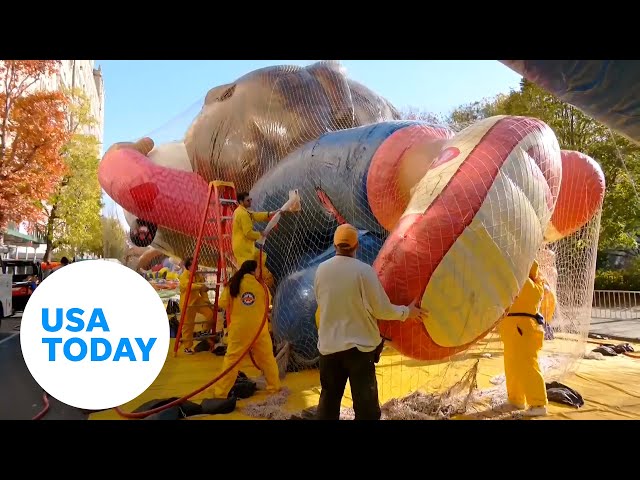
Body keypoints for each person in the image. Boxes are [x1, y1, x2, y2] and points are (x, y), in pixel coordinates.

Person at [314, 223, 428, 420]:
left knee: (328, 403)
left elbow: (321, 303)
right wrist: (406, 312)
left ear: (335, 246)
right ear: (356, 245)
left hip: (329, 347)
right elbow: (381, 309)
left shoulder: (321, 270)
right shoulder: (363, 271)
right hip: (359, 351)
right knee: (366, 409)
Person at [212, 260, 280, 398]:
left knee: (232, 360)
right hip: (259, 329)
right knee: (267, 359)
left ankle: (221, 393)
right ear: (254, 270)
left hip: (239, 329)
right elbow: (268, 303)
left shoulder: (233, 284)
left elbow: (222, 303)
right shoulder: (262, 286)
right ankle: (274, 387)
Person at [498, 260, 549, 417]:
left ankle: (538, 403)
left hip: (522, 328)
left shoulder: (529, 284)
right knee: (512, 365)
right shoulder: (529, 282)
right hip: (514, 326)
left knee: (527, 365)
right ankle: (516, 399)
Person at [231, 192, 279, 289]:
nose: (250, 202)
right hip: (243, 247)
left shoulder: (243, 211)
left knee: (260, 257)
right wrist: (261, 234)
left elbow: (255, 215)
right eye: (248, 200)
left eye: (250, 200)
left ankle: (257, 280)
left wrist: (269, 214)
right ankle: (249, 287)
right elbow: (248, 233)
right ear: (241, 201)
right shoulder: (242, 214)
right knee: (247, 272)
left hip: (247, 245)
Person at [179, 256, 215, 355]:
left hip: (197, 301)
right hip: (187, 303)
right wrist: (201, 287)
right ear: (188, 267)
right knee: (188, 326)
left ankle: (204, 331)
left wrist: (207, 301)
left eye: (197, 264)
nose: (197, 266)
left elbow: (203, 291)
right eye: (194, 265)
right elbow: (188, 285)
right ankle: (187, 347)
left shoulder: (199, 276)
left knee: (210, 314)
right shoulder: (184, 276)